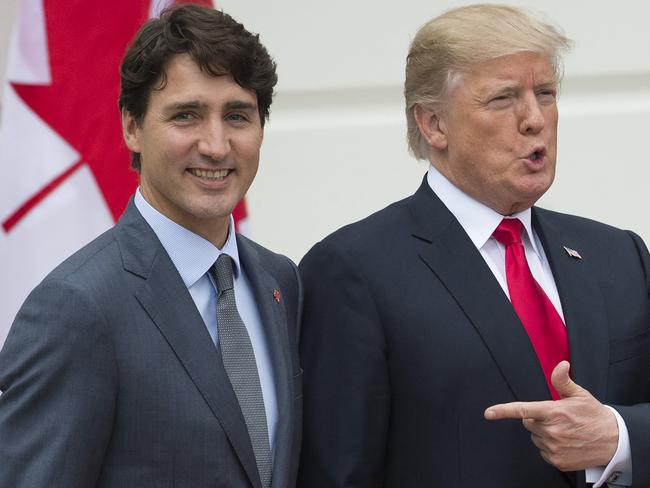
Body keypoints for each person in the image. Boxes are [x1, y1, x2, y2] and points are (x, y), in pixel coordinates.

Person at [297, 4, 650, 488]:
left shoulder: (620, 255)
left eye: (545, 93)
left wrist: (620, 436)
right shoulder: (353, 271)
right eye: (503, 99)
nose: (534, 119)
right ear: (433, 124)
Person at [0, 5, 302, 487]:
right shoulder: (78, 306)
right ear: (132, 128)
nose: (217, 145)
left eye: (238, 116)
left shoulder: (279, 281)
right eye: (186, 116)